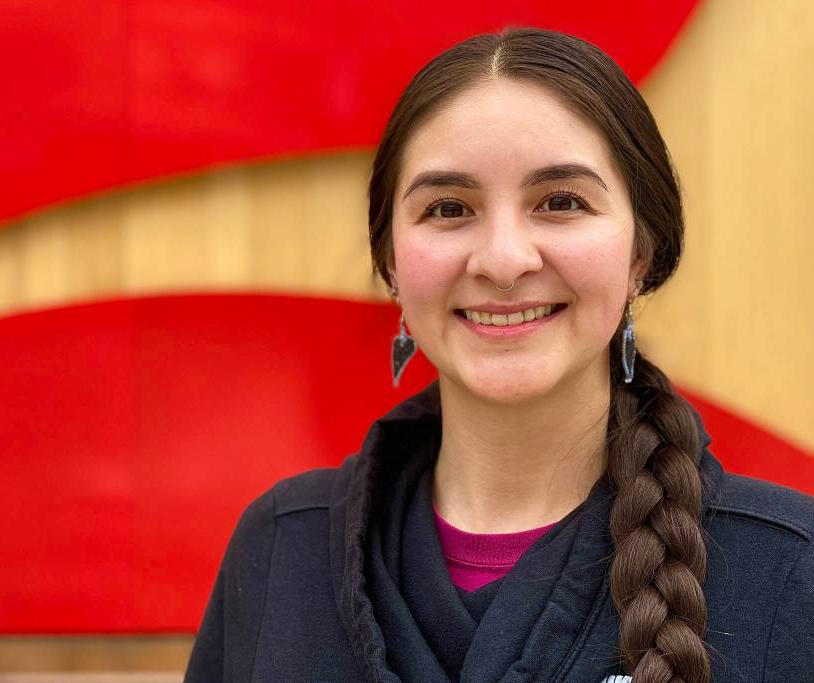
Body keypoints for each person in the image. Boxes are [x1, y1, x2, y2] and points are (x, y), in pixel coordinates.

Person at [184, 28, 814, 683]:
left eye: (561, 202)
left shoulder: (790, 569)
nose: (504, 260)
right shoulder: (282, 547)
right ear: (391, 263)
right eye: (448, 208)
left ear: (640, 254)